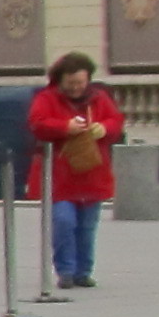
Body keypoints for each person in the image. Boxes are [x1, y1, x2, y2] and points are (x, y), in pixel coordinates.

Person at [27, 52, 125, 290]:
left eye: (80, 82)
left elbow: (116, 120)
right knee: (64, 222)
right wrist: (64, 127)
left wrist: (104, 128)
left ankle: (84, 271)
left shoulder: (99, 98)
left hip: (92, 174)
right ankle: (66, 271)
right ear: (60, 80)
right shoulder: (46, 98)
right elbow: (37, 124)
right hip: (59, 177)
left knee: (87, 227)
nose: (76, 88)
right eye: (70, 83)